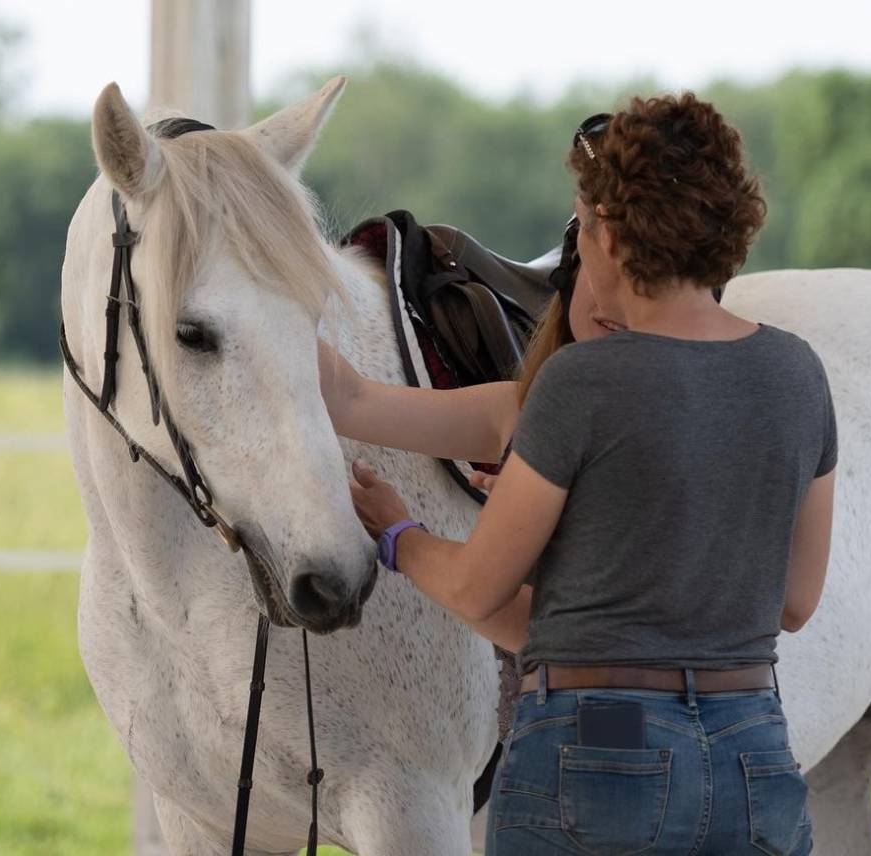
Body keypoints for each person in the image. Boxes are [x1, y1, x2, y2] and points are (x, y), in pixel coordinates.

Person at [330, 93, 836, 855]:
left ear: (613, 236)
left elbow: (476, 589)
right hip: (754, 745)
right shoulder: (798, 372)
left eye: (582, 224)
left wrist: (398, 531)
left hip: (602, 742)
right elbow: (796, 601)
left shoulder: (581, 383)